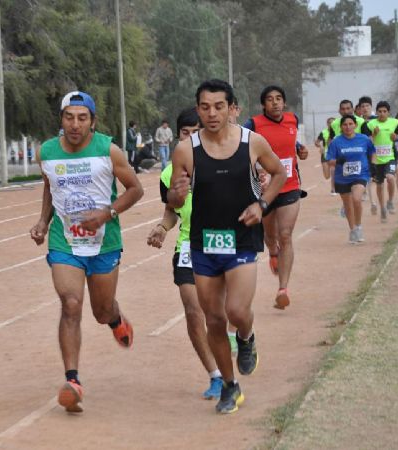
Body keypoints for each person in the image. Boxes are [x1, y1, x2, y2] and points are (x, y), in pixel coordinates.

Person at [169, 79, 287, 414]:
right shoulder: (185, 150)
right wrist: (177, 193)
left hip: (241, 238)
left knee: (236, 311)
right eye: (204, 107)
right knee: (215, 321)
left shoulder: (252, 142)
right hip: (204, 243)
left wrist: (261, 205)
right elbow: (174, 197)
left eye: (218, 106)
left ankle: (247, 337)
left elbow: (278, 174)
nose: (211, 113)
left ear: (231, 107)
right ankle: (230, 386)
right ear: (198, 108)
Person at [30, 91, 144, 414]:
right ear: (61, 120)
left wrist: (107, 213)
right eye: (69, 117)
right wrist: (42, 221)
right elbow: (50, 187)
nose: (75, 124)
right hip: (65, 241)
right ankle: (73, 380)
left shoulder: (108, 150)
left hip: (104, 242)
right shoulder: (47, 153)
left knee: (101, 310)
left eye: (82, 118)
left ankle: (116, 319)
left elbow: (136, 189)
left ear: (93, 121)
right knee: (70, 304)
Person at [147, 107, 224, 400]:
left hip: (220, 242)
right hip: (188, 246)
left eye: (196, 132)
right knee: (194, 313)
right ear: (178, 135)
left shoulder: (222, 161)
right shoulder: (168, 173)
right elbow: (171, 212)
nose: (191, 138)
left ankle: (236, 338)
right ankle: (215, 375)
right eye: (185, 133)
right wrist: (162, 227)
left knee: (219, 313)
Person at [242, 86, 308, 310]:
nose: (275, 103)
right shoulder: (253, 125)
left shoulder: (293, 120)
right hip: (265, 191)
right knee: (270, 236)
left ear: (285, 102)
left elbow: (290, 141)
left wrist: (299, 149)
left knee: (286, 234)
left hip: (290, 185)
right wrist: (259, 171)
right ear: (263, 105)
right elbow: (243, 148)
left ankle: (283, 289)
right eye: (270, 100)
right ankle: (272, 251)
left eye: (279, 99)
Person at [327, 114, 376, 243]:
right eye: (345, 125)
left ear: (355, 125)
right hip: (342, 177)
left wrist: (374, 166)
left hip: (360, 174)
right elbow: (329, 161)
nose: (348, 127)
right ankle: (352, 229)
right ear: (341, 127)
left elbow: (372, 152)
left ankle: (358, 226)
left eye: (350, 124)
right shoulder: (336, 142)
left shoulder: (364, 139)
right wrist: (338, 161)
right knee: (348, 205)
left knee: (356, 199)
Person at [367, 101, 398, 223]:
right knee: (379, 186)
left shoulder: (394, 122)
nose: (382, 113)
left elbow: (397, 134)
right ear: (376, 112)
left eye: (384, 111)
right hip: (377, 160)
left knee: (391, 177)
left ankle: (390, 201)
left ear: (388, 113)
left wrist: (395, 137)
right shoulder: (371, 124)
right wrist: (374, 134)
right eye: (379, 111)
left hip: (390, 157)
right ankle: (382, 209)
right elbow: (369, 140)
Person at [315, 117, 336, 194]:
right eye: (330, 123)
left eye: (333, 123)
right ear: (327, 124)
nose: (331, 124)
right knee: (327, 176)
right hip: (325, 155)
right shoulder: (323, 132)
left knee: (333, 170)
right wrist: (321, 146)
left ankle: (333, 188)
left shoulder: (338, 132)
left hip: (334, 155)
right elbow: (316, 142)